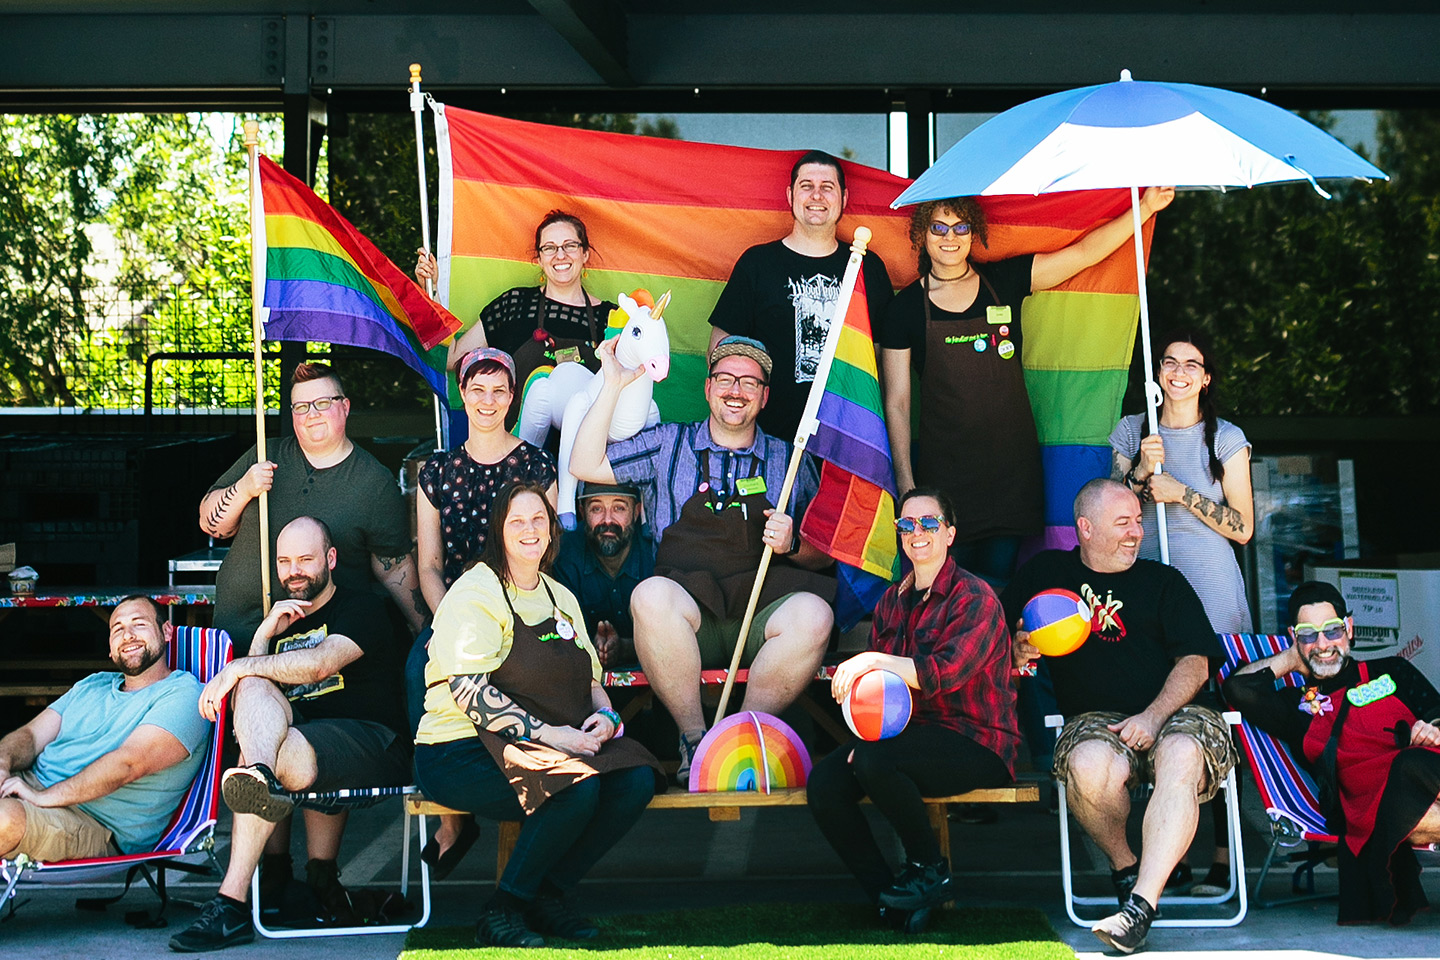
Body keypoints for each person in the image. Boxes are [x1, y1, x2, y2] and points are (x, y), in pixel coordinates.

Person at [570, 334, 836, 784]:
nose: (736, 391)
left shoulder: (788, 460)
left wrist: (793, 542)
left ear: (765, 396)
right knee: (650, 596)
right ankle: (695, 739)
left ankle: (740, 738)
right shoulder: (667, 444)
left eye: (749, 383)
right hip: (688, 622)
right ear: (708, 387)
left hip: (760, 620)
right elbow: (583, 462)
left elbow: (824, 557)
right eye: (726, 379)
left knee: (815, 614)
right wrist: (613, 382)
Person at [881, 188, 1175, 585]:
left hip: (1010, 475)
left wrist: (1146, 208)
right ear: (922, 234)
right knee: (945, 591)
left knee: (1000, 589)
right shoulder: (904, 309)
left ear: (974, 232)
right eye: (938, 227)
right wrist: (905, 481)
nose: (950, 237)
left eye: (960, 226)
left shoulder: (1004, 280)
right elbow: (897, 403)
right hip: (944, 482)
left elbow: (1085, 253)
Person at [414, 482, 662, 948]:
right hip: (457, 750)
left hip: (539, 742)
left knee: (636, 779)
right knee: (575, 790)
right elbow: (469, 693)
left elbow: (591, 681)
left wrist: (608, 718)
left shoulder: (559, 595)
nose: (530, 530)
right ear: (499, 532)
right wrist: (553, 736)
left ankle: (548, 895)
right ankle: (503, 908)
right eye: (517, 521)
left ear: (552, 529)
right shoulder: (476, 592)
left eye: (538, 520)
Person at [1002, 478, 1233, 955]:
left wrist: (1152, 716)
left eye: (1138, 522)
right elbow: (997, 640)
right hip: (1094, 719)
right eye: (1122, 523)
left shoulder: (1162, 581)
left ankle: (1139, 909)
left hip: (1178, 712)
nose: (1136, 533)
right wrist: (1016, 647)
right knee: (1086, 768)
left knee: (1182, 754)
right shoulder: (1045, 573)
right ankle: (1128, 869)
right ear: (1084, 528)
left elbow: (1196, 661)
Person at [169, 517, 411, 953]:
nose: (294, 570)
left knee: (258, 723)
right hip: (298, 750)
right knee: (257, 705)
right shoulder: (280, 623)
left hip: (370, 741)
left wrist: (239, 666)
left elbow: (319, 665)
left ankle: (232, 904)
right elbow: (254, 696)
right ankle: (259, 781)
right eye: (284, 561)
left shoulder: (363, 607)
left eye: (305, 559)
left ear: (331, 559)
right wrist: (262, 635)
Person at [807, 488, 1019, 934]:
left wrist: (874, 660)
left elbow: (945, 672)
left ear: (950, 534)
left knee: (874, 760)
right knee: (825, 781)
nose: (916, 533)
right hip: (909, 739)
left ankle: (929, 870)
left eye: (929, 524)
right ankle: (889, 899)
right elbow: (879, 696)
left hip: (978, 740)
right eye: (906, 525)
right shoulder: (891, 602)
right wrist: (865, 734)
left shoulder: (974, 597)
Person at [1110, 328, 1253, 895]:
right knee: (1153, 712)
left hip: (1212, 589)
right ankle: (1164, 858)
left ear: (1206, 376)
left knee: (1216, 715)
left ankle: (1222, 852)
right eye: (1169, 362)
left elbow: (1243, 528)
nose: (1179, 372)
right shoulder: (1133, 430)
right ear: (1157, 372)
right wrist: (1142, 474)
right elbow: (1117, 501)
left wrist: (1183, 494)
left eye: (1191, 364)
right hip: (1149, 590)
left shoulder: (1227, 438)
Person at [412, 346, 558, 879]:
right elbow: (428, 564)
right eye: (477, 389)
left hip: (520, 613)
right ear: (463, 395)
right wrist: (449, 622)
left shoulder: (536, 464)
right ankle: (452, 817)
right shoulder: (438, 470)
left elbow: (548, 549)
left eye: (499, 390)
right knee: (417, 675)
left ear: (513, 397)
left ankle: (536, 782)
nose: (488, 400)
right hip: (450, 611)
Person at [1224, 581, 1440, 925]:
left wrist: (1434, 727)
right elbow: (1237, 687)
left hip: (1428, 772)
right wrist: (1293, 657)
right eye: (1309, 635)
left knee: (1412, 763)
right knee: (1407, 772)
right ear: (1295, 637)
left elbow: (1435, 709)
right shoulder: (1296, 706)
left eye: (1333, 630)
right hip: (1376, 806)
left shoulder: (1390, 671)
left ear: (1349, 628)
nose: (1323, 645)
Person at [201, 362, 426, 647]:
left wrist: (425, 629)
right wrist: (244, 488)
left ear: (345, 406)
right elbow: (213, 526)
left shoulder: (374, 481)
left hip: (317, 644)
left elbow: (392, 566)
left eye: (322, 403)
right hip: (237, 634)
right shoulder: (265, 452)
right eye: (301, 406)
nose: (312, 414)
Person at [0, 597, 209, 865]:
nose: (128, 635)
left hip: (90, 823)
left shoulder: (185, 695)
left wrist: (43, 798)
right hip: (27, 789)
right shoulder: (93, 685)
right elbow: (29, 735)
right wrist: (3, 764)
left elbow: (128, 764)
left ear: (166, 631)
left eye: (139, 624)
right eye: (117, 629)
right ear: (110, 648)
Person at [707, 150, 894, 440]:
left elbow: (885, 364)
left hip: (848, 445)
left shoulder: (868, 269)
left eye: (827, 188)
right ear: (790, 195)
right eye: (806, 186)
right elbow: (721, 354)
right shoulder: (758, 264)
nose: (816, 196)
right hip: (769, 444)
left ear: (844, 199)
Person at [416, 210, 619, 407]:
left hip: (591, 440)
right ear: (539, 259)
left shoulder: (612, 319)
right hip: (516, 439)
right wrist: (430, 291)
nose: (560, 255)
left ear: (585, 254)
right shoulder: (514, 304)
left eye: (570, 245)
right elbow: (451, 359)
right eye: (549, 248)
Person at [551, 480, 654, 668]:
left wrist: (624, 648)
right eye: (596, 509)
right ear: (582, 512)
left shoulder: (654, 551)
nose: (607, 520)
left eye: (619, 508)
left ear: (637, 512)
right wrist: (592, 645)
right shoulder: (565, 555)